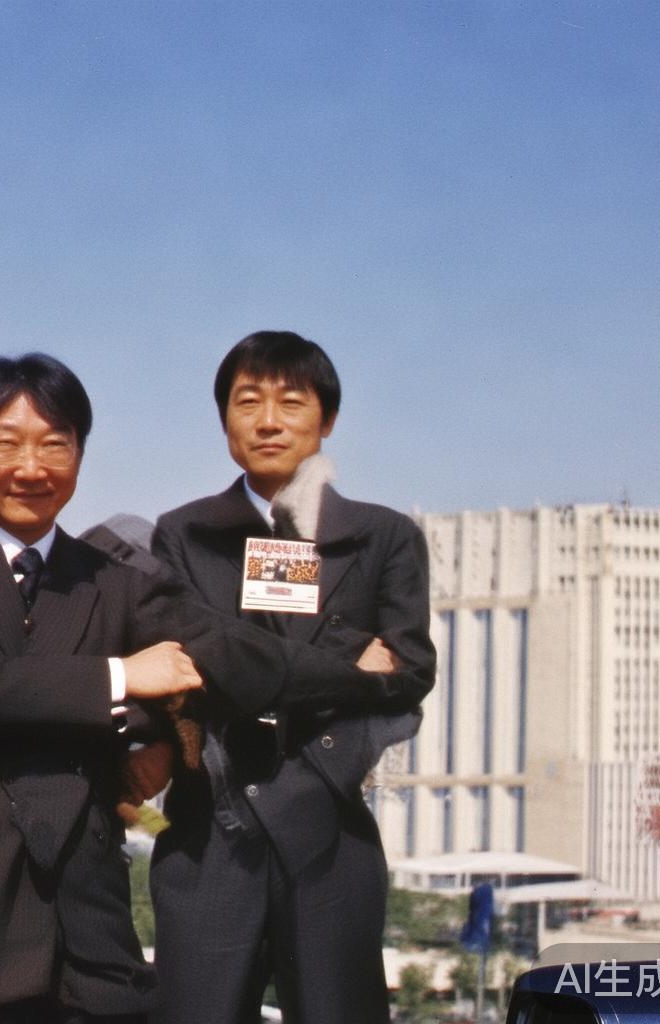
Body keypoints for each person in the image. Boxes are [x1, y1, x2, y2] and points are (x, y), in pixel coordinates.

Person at [0, 352, 410, 1024]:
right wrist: (124, 675)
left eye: (55, 445)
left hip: (78, 911)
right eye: (7, 443)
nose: (32, 467)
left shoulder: (115, 580)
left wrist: (355, 672)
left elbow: (225, 649)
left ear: (79, 457)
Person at [149, 331, 436, 1024]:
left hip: (330, 830)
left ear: (326, 418)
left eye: (291, 402)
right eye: (248, 402)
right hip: (210, 831)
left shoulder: (384, 537)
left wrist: (250, 668)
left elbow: (410, 673)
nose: (268, 421)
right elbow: (200, 660)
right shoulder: (182, 535)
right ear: (225, 419)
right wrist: (346, 663)